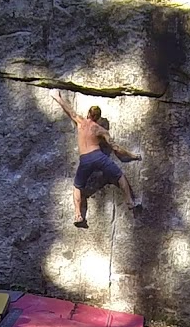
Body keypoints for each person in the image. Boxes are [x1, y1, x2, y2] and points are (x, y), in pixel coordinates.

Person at [50, 89, 142, 228]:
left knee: (77, 186)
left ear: (88, 114)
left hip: (85, 159)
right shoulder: (100, 130)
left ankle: (78, 215)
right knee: (120, 177)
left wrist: (57, 97)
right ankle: (129, 200)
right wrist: (132, 155)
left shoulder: (80, 122)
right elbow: (115, 148)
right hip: (99, 156)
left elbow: (69, 110)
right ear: (98, 118)